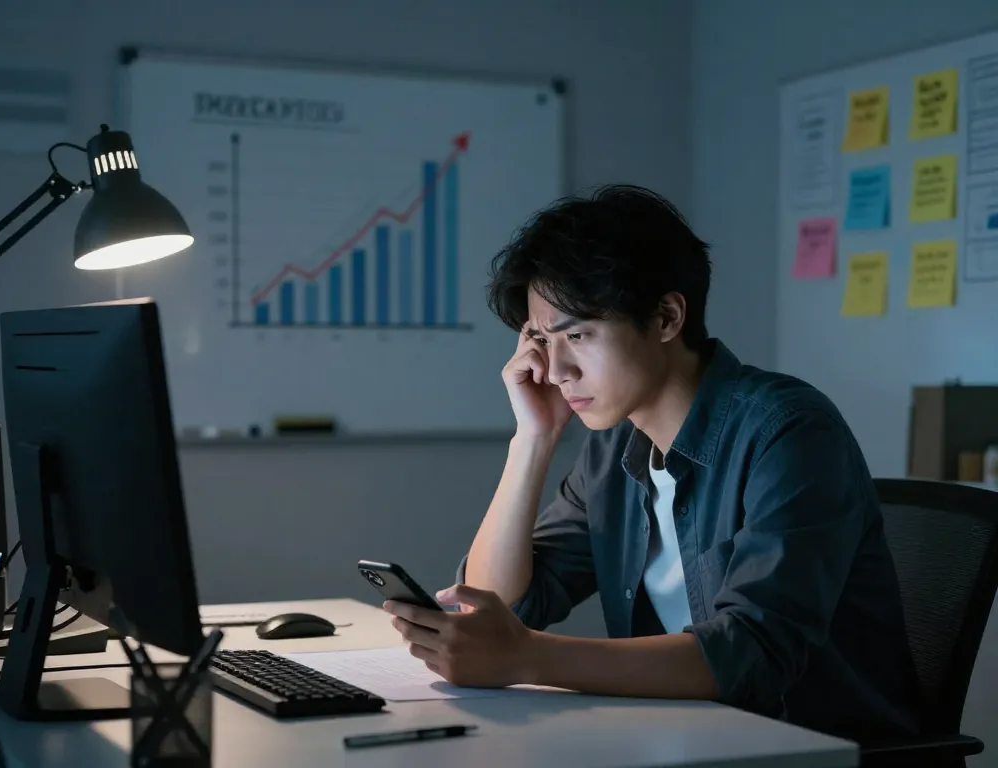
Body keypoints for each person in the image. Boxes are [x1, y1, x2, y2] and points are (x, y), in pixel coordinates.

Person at [382, 184, 920, 742]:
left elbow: (751, 656)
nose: (557, 368)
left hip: (809, 751)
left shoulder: (790, 431)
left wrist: (527, 658)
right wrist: (532, 439)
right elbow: (505, 605)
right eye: (542, 340)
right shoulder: (615, 446)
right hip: (683, 741)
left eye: (579, 334)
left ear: (666, 317)